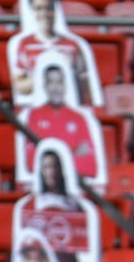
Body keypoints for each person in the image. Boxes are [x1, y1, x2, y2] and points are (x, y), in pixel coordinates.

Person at [18, 53, 107, 188]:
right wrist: (73, 153)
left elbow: (91, 167)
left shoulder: (79, 118)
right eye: (51, 82)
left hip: (75, 188)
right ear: (45, 86)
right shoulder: (34, 116)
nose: (56, 88)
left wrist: (49, 161)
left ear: (66, 85)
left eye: (59, 82)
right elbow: (31, 163)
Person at [13, 137, 101, 262]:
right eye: (47, 167)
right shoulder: (26, 205)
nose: (52, 172)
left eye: (56, 166)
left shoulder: (81, 207)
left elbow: (88, 253)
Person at [8, 0, 102, 107]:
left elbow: (85, 86)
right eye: (39, 8)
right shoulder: (23, 44)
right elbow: (21, 88)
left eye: (49, 8)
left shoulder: (73, 44)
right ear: (32, 11)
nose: (45, 14)